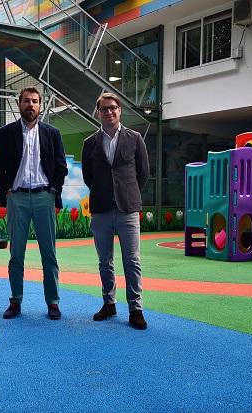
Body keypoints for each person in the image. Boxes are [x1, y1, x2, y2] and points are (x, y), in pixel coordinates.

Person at [0, 87, 68, 320]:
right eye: (26, 101)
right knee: (16, 254)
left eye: (35, 101)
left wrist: (54, 191)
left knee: (49, 254)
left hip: (45, 197)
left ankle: (53, 303)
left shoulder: (52, 133)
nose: (31, 105)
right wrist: (7, 191)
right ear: (19, 104)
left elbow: (61, 167)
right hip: (17, 198)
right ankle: (15, 301)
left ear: (40, 105)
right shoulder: (6, 133)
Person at [81, 92, 150, 330]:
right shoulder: (89, 143)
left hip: (127, 209)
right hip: (101, 209)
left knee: (132, 260)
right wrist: (105, 192)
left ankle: (135, 309)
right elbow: (88, 177)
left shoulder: (135, 138)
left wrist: (127, 193)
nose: (109, 112)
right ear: (98, 113)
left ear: (120, 110)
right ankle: (109, 304)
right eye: (104, 109)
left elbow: (143, 173)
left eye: (113, 107)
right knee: (105, 261)